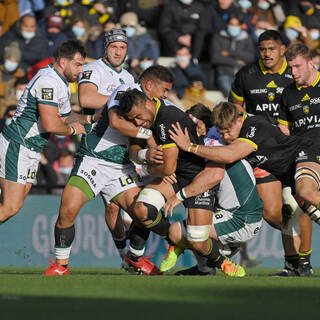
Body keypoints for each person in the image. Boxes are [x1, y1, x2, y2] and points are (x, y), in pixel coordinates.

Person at [43, 65, 173, 276]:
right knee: (67, 208)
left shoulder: (160, 106)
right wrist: (148, 135)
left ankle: (135, 259)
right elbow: (114, 121)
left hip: (122, 166)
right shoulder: (125, 90)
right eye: (164, 89)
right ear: (149, 84)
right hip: (94, 159)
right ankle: (61, 265)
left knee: (145, 211)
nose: (166, 94)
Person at [168, 101, 320, 266]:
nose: (225, 137)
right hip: (287, 175)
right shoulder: (233, 130)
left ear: (239, 120)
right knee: (309, 212)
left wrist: (189, 146)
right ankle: (295, 265)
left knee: (305, 192)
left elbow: (230, 155)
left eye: (228, 131)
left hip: (305, 153)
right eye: (221, 133)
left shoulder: (254, 126)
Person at [119, 90, 245, 277]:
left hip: (197, 178)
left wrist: (148, 168)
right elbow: (135, 148)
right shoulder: (150, 115)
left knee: (197, 240)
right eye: (133, 119)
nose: (137, 122)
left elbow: (167, 168)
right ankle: (178, 244)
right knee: (142, 209)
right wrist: (145, 156)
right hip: (176, 177)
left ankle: (222, 262)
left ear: (147, 102)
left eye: (138, 117)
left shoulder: (166, 120)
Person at [228, 29, 315, 274]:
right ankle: (295, 254)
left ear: (283, 49)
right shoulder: (246, 75)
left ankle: (299, 264)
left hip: (293, 149)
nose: (266, 54)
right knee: (272, 212)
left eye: (271, 49)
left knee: (296, 203)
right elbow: (234, 109)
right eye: (262, 49)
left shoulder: (295, 73)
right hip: (260, 153)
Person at [158, 103, 263, 276]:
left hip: (242, 218)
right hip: (229, 213)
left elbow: (214, 175)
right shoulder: (210, 141)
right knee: (190, 223)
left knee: (181, 232)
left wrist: (179, 196)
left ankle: (222, 264)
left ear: (200, 124)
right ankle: (205, 269)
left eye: (189, 123)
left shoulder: (213, 144)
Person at [0, 39, 88, 225]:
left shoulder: (61, 82)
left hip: (31, 149)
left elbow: (65, 117)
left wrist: (90, 119)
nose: (81, 70)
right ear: (63, 62)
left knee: (12, 206)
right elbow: (51, 125)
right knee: (10, 206)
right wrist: (73, 129)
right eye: (78, 64)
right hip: (18, 144)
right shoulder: (48, 81)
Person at [77, 28, 135, 264]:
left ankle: (133, 254)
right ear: (105, 48)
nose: (118, 52)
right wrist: (124, 103)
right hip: (99, 147)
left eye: (122, 47)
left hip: (124, 147)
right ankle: (124, 256)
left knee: (136, 207)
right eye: (114, 47)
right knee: (111, 206)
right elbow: (86, 99)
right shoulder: (93, 69)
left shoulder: (130, 78)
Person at [278, 43, 320, 275]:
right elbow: (284, 129)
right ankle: (299, 264)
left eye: (297, 66)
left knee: (303, 196)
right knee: (295, 203)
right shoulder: (288, 93)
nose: (293, 72)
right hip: (303, 153)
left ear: (310, 62)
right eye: (290, 67)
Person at [211, 14, 255, 97]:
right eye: (231, 24)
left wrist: (230, 53)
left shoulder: (246, 38)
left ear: (240, 26)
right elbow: (215, 58)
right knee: (230, 95)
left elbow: (250, 57)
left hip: (242, 75)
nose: (234, 27)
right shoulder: (218, 37)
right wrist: (236, 62)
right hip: (223, 73)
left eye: (236, 25)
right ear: (227, 25)